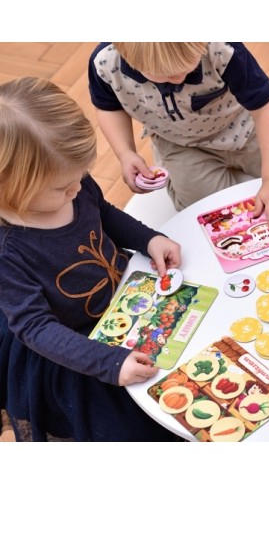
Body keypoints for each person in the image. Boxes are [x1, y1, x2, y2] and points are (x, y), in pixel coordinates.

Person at [0, 76, 183, 441]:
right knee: (134, 427)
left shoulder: (74, 183)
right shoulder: (8, 251)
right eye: (61, 187)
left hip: (125, 299)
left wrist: (148, 239)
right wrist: (109, 363)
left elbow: (104, 213)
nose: (77, 188)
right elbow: (36, 328)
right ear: (9, 190)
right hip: (75, 345)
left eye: (80, 176)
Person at [88, 42, 269, 227]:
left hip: (243, 130)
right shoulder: (105, 63)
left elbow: (265, 108)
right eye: (165, 75)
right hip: (181, 144)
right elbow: (108, 108)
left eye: (188, 67)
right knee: (207, 211)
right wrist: (125, 153)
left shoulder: (222, 47)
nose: (178, 78)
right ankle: (173, 168)